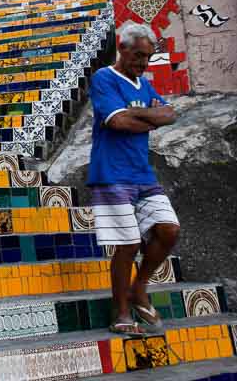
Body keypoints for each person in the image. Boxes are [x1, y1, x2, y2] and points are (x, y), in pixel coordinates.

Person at [88, 22, 180, 335]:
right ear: (122, 47)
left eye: (148, 58)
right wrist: (152, 119)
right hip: (111, 173)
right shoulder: (104, 78)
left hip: (142, 173)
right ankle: (121, 313)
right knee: (127, 244)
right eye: (139, 55)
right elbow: (119, 123)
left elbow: (171, 113)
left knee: (169, 230)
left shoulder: (144, 85)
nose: (143, 63)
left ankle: (139, 288)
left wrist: (140, 116)